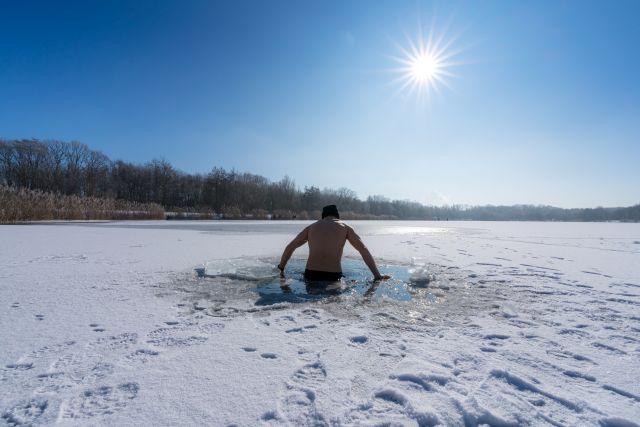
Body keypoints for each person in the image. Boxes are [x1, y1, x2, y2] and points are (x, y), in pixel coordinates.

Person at [277, 205, 390, 282]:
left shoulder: (311, 228)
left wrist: (281, 267)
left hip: (311, 273)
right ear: (337, 216)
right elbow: (363, 249)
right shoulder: (345, 228)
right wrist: (377, 275)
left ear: (323, 216)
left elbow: (290, 247)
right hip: (333, 275)